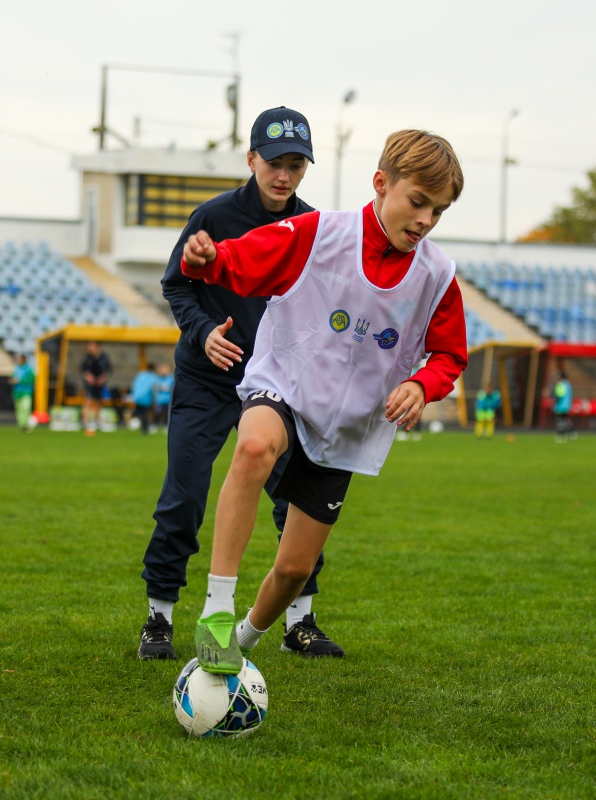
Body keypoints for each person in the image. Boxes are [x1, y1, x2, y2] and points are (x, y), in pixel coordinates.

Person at [183, 129, 469, 675]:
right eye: (417, 201)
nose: (426, 220)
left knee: (294, 570)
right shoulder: (320, 233)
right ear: (381, 184)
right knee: (254, 446)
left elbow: (449, 355)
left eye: (439, 210)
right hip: (286, 384)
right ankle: (217, 612)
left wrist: (421, 385)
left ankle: (240, 644)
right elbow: (240, 261)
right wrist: (208, 259)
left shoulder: (437, 276)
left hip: (348, 428)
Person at [138, 107, 344, 662]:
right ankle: (159, 617)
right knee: (183, 496)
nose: (284, 175)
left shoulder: (313, 229)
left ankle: (300, 621)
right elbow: (175, 284)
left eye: (295, 164)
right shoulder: (213, 215)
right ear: (251, 159)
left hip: (275, 386)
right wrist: (203, 333)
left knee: (294, 502)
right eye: (274, 162)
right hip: (209, 377)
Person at [80, 340, 110, 436]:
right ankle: (85, 423)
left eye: (91, 346)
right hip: (90, 385)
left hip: (100, 385)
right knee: (88, 402)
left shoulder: (104, 358)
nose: (89, 349)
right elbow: (83, 370)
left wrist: (102, 378)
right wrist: (89, 377)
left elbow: (108, 370)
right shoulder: (87, 358)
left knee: (98, 403)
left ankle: (97, 423)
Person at [10, 353, 35, 432]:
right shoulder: (17, 369)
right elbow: (13, 378)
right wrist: (12, 381)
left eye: (19, 359)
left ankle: (27, 424)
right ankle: (21, 425)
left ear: (23, 359)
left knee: (26, 408)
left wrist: (20, 380)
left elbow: (31, 380)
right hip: (17, 392)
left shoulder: (29, 369)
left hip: (26, 392)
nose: (18, 360)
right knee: (19, 410)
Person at [129, 361, 156, 434]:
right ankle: (145, 429)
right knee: (145, 413)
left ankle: (132, 420)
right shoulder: (153, 377)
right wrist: (154, 399)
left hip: (137, 396)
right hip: (146, 398)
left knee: (139, 412)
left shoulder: (140, 374)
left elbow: (134, 385)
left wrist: (133, 395)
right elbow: (153, 388)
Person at [552, 372, 574, 442]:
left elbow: (559, 395)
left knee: (560, 420)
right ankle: (572, 432)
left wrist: (554, 401)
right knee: (565, 419)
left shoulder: (560, 385)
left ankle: (561, 435)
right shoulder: (568, 384)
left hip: (560, 405)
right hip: (567, 405)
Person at [152, 361, 174, 431]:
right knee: (157, 413)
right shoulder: (157, 378)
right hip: (160, 400)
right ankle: (155, 425)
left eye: (166, 369)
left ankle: (167, 426)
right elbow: (155, 388)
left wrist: (167, 388)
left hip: (168, 400)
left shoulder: (171, 378)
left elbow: (173, 388)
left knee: (168, 414)